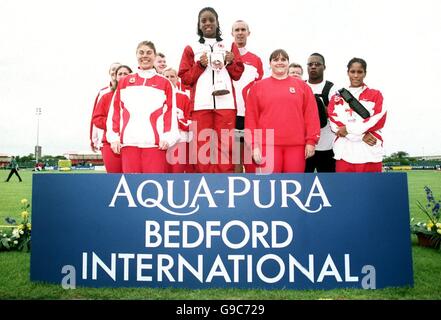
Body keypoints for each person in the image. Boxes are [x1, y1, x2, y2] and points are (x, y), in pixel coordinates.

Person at [178, 7, 244, 173]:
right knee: (203, 146)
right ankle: (205, 182)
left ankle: (224, 183)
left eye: (211, 20)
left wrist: (232, 61)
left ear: (217, 22)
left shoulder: (230, 45)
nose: (208, 23)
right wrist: (199, 65)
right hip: (201, 105)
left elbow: (238, 74)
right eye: (204, 21)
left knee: (226, 145)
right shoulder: (190, 48)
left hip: (226, 104)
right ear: (199, 25)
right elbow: (185, 78)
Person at [106, 41, 179, 173]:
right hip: (129, 144)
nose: (144, 56)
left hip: (155, 145)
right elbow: (115, 112)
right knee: (131, 187)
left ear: (154, 56)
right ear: (136, 55)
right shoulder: (125, 82)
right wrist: (114, 138)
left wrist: (168, 138)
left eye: (149, 53)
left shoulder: (165, 83)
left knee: (154, 188)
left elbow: (170, 113)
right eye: (141, 52)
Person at [245, 49, 320, 173]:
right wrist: (254, 146)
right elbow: (251, 119)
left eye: (283, 59)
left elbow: (311, 116)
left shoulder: (303, 87)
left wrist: (311, 141)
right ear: (270, 63)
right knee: (270, 187)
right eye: (276, 59)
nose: (280, 62)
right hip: (267, 145)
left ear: (288, 63)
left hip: (296, 145)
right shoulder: (257, 87)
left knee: (293, 186)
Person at [328, 57, 387, 172]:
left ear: (365, 73)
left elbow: (378, 119)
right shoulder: (337, 97)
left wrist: (348, 128)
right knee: (345, 190)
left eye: (359, 72)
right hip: (344, 153)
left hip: (369, 152)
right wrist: (361, 136)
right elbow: (335, 125)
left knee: (371, 190)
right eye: (352, 72)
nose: (356, 75)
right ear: (348, 73)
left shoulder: (375, 94)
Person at [231, 20, 264, 173]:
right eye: (236, 30)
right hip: (230, 113)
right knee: (234, 160)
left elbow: (259, 89)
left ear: (248, 33)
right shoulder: (226, 57)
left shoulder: (256, 60)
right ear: (232, 34)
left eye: (243, 29)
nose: (240, 32)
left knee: (251, 160)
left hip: (249, 115)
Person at [92, 65, 132, 173]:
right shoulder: (106, 97)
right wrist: (114, 124)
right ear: (115, 77)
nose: (123, 76)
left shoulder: (137, 97)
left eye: (126, 74)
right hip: (110, 144)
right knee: (115, 179)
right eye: (120, 74)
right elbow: (96, 119)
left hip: (132, 143)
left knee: (132, 178)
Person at [305, 53, 338, 173]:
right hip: (306, 147)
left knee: (329, 187)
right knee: (303, 185)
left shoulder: (333, 88)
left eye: (317, 64)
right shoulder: (301, 87)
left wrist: (320, 108)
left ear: (324, 67)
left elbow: (338, 114)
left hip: (328, 147)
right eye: (310, 64)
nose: (313, 67)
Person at [163, 67, 193, 173]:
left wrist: (176, 121)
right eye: (166, 76)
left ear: (177, 79)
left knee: (177, 172)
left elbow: (191, 120)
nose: (169, 79)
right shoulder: (158, 95)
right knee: (163, 172)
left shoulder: (184, 96)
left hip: (180, 139)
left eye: (172, 76)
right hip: (162, 141)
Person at [89, 62, 121, 153]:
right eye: (113, 69)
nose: (115, 71)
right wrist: (93, 140)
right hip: (106, 140)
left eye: (118, 69)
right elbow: (95, 118)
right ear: (109, 72)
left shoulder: (130, 91)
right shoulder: (103, 93)